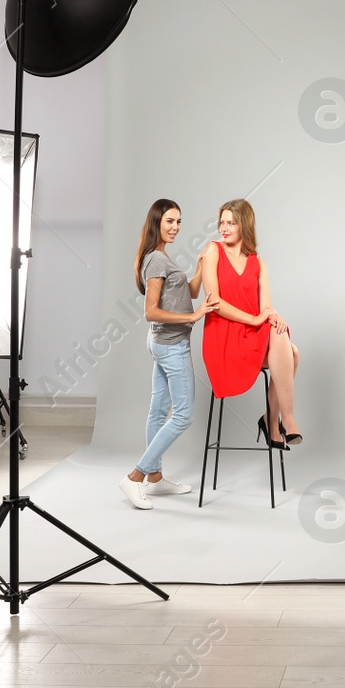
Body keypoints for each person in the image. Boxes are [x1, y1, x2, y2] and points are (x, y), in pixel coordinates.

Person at [119, 200, 218, 510]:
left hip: (162, 343)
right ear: (156, 223)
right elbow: (151, 312)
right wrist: (194, 317)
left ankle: (156, 478)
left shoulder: (162, 257)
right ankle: (135, 477)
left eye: (178, 222)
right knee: (183, 415)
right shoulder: (156, 261)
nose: (175, 227)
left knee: (158, 411)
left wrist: (200, 269)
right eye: (169, 221)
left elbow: (188, 292)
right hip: (171, 345)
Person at [200, 199, 301, 449]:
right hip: (222, 334)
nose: (223, 228)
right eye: (221, 223)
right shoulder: (213, 250)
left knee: (283, 336)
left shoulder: (259, 264)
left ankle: (279, 420)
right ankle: (276, 422)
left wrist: (273, 315)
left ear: (244, 225)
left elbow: (265, 306)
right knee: (291, 351)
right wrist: (255, 319)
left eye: (230, 223)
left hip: (250, 334)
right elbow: (213, 301)